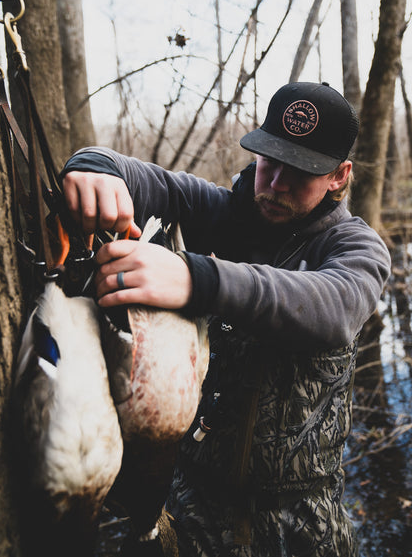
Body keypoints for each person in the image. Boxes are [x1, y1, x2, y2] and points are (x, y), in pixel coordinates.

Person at [61, 81, 391, 557]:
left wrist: (198, 279)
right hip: (189, 499)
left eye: (299, 172)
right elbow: (138, 177)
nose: (276, 184)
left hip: (301, 518)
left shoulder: (355, 248)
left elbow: (333, 307)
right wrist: (94, 167)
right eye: (269, 161)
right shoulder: (220, 210)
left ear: (339, 176)